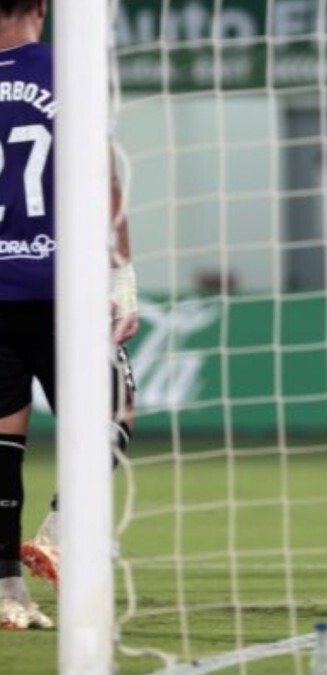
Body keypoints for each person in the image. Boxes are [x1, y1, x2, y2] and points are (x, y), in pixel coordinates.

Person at [0, 0, 139, 630]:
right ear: (41, 7)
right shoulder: (68, 72)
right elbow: (104, 181)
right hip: (62, 286)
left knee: (4, 441)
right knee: (115, 409)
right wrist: (122, 277)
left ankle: (8, 592)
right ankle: (58, 532)